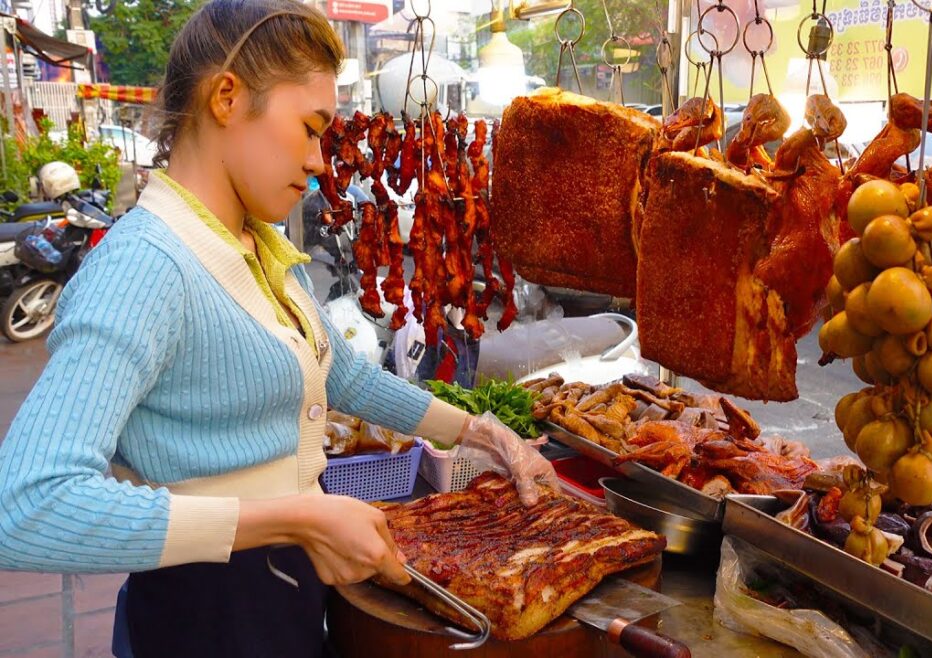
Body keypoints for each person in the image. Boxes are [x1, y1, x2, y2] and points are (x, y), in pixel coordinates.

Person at [0, 2, 557, 656]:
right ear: (227, 98)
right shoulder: (145, 266)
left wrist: (477, 431)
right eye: (310, 128)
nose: (322, 161)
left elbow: (342, 375)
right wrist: (293, 518)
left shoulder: (256, 246)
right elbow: (29, 507)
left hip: (284, 587)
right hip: (205, 612)